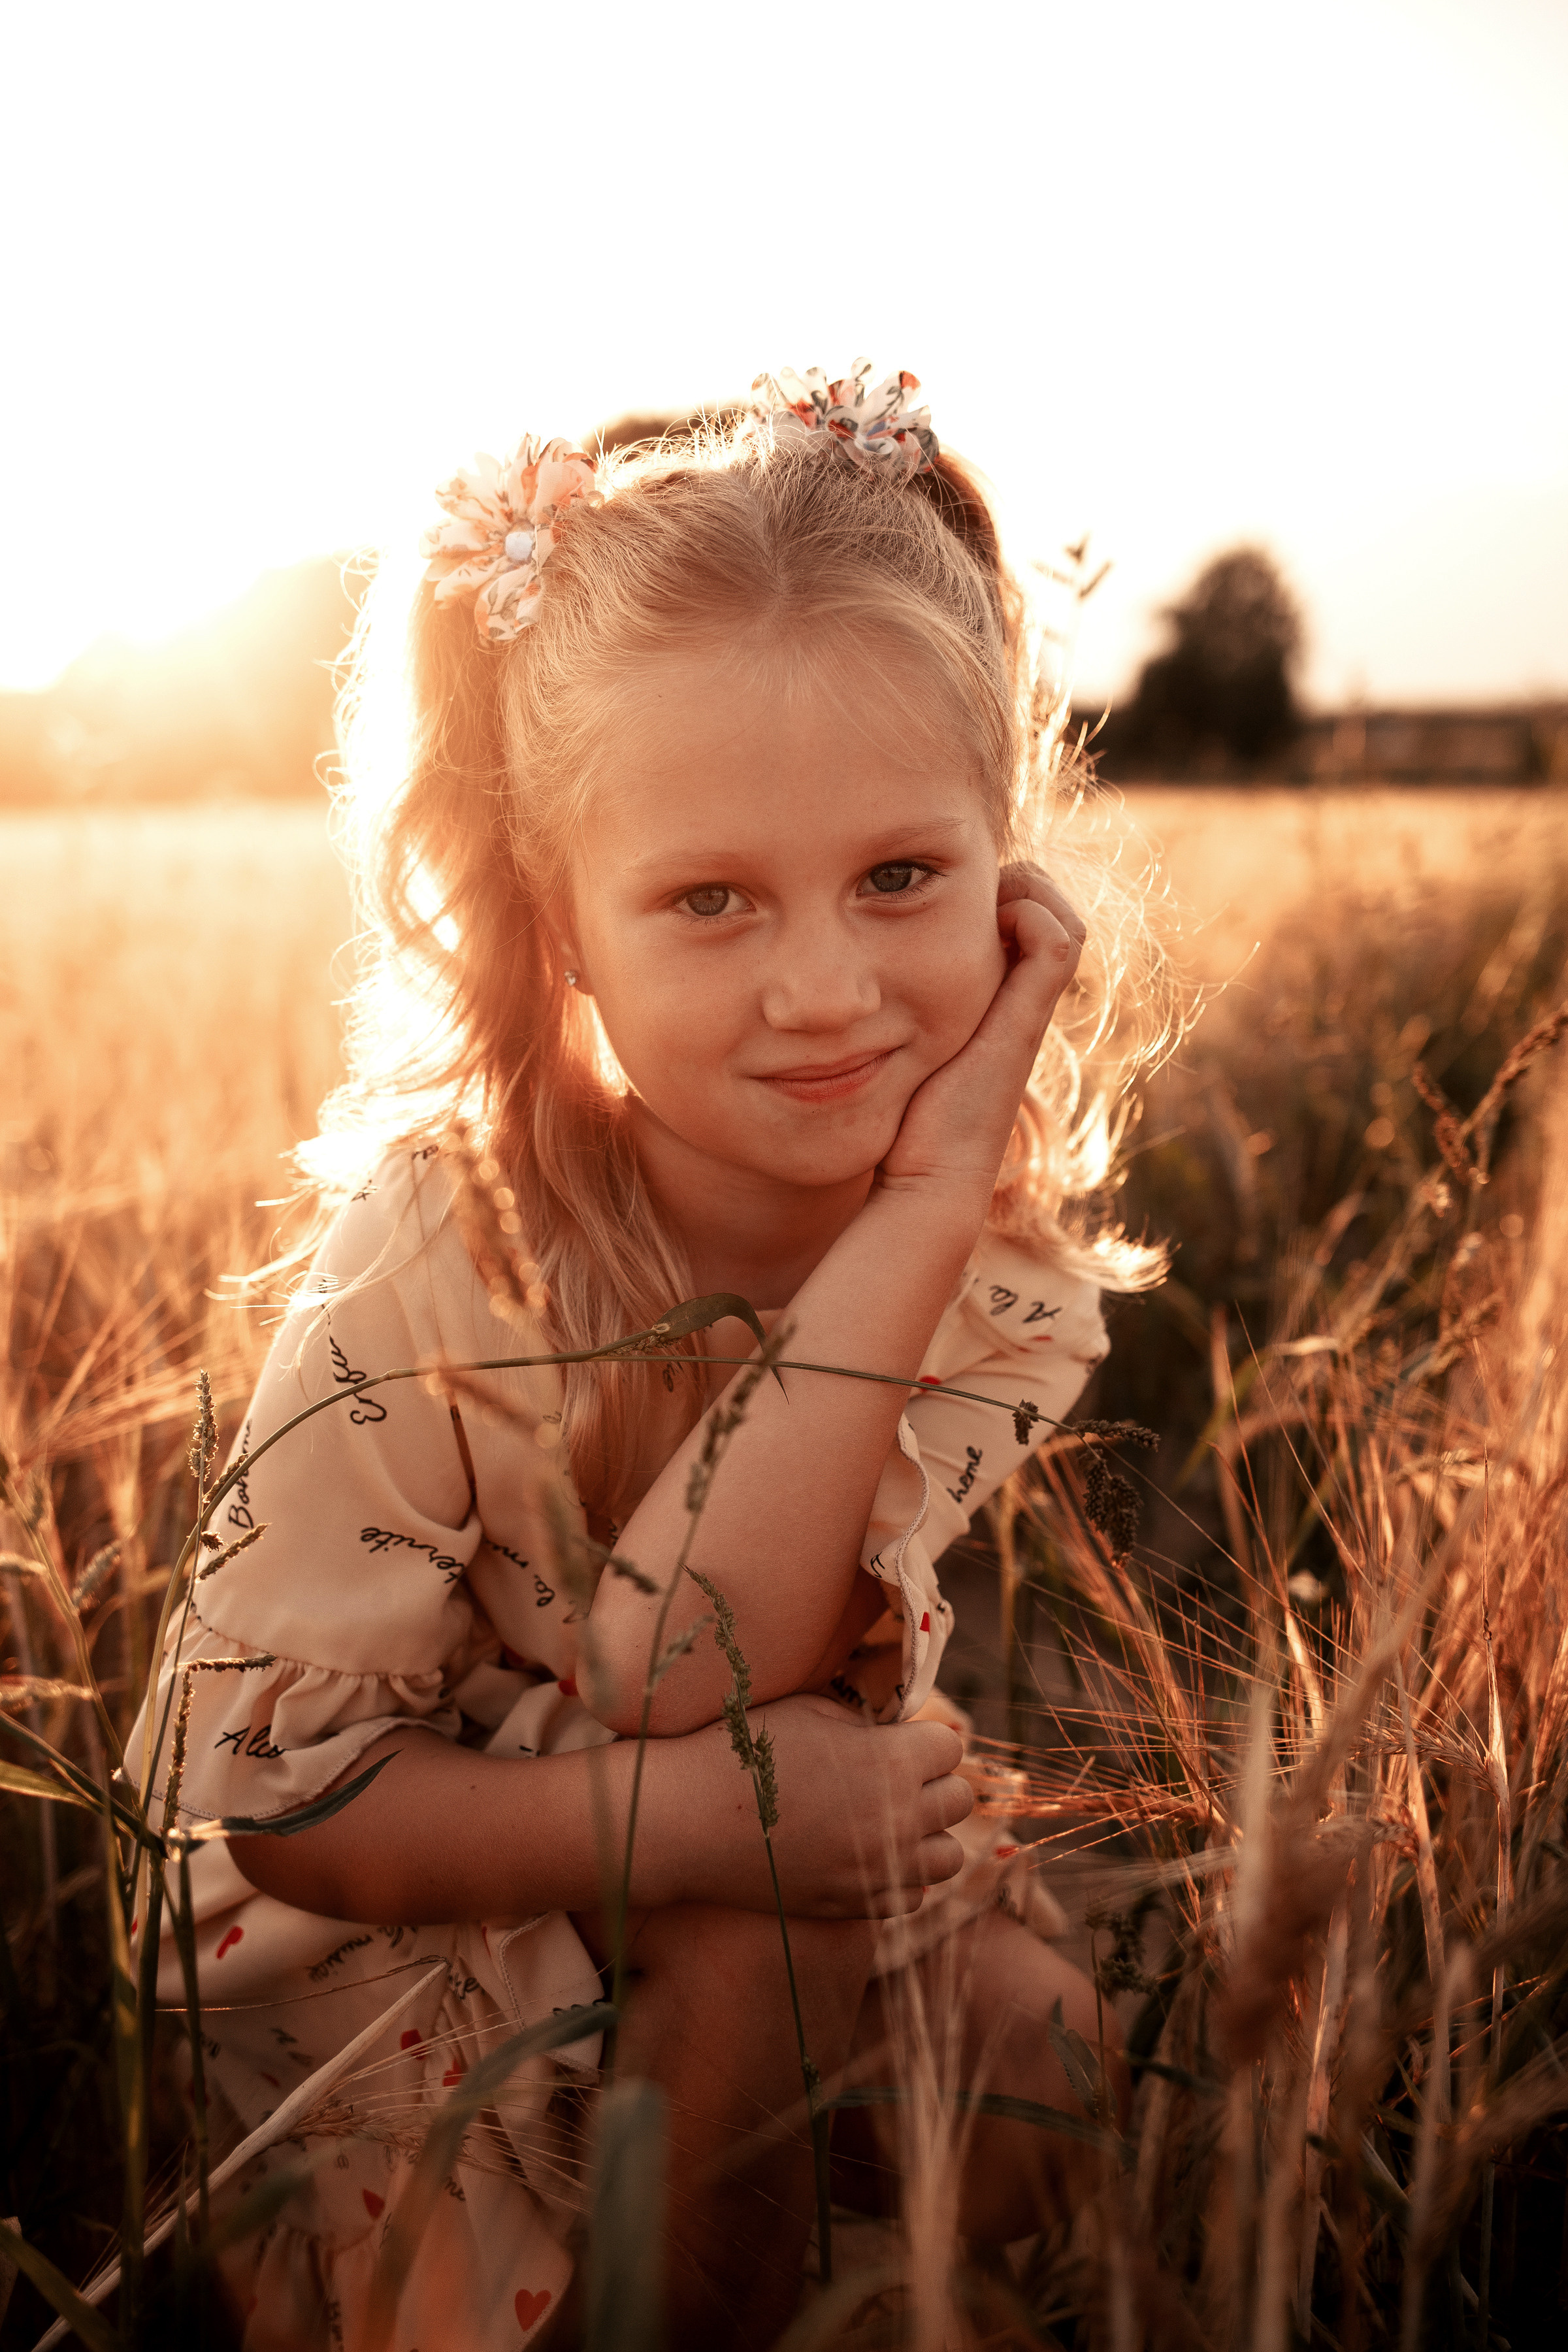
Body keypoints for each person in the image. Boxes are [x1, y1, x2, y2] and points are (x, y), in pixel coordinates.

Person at [131, 360, 1169, 2348]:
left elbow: (723, 1681)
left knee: (1049, 2084)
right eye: (708, 900)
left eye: (902, 876)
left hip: (755, 1803)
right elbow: (299, 1801)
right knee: (757, 1922)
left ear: (1006, 858)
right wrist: (693, 1821)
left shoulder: (981, 1255)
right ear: (561, 925)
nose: (825, 989)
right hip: (402, 1917)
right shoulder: (456, 1251)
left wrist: (925, 1209)